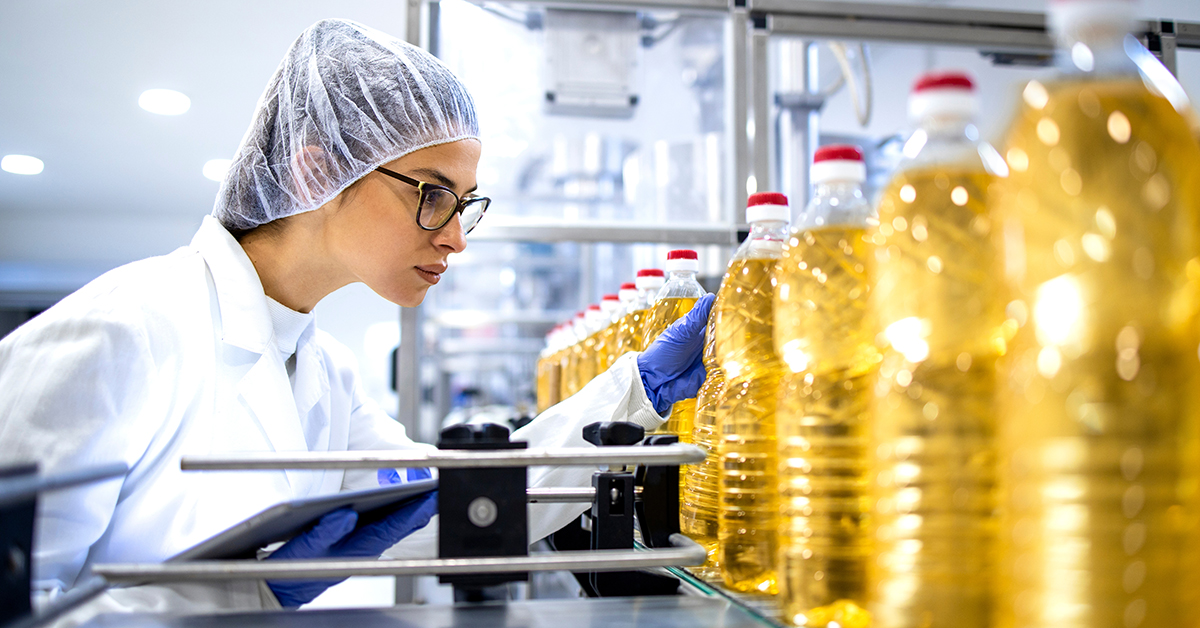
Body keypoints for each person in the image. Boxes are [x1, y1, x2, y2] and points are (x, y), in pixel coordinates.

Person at [0, 18, 714, 625]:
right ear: (317, 173)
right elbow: (18, 600)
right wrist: (241, 593)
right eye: (433, 195)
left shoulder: (322, 373)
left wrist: (636, 390)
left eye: (466, 204)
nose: (456, 237)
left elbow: (458, 516)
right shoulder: (124, 330)